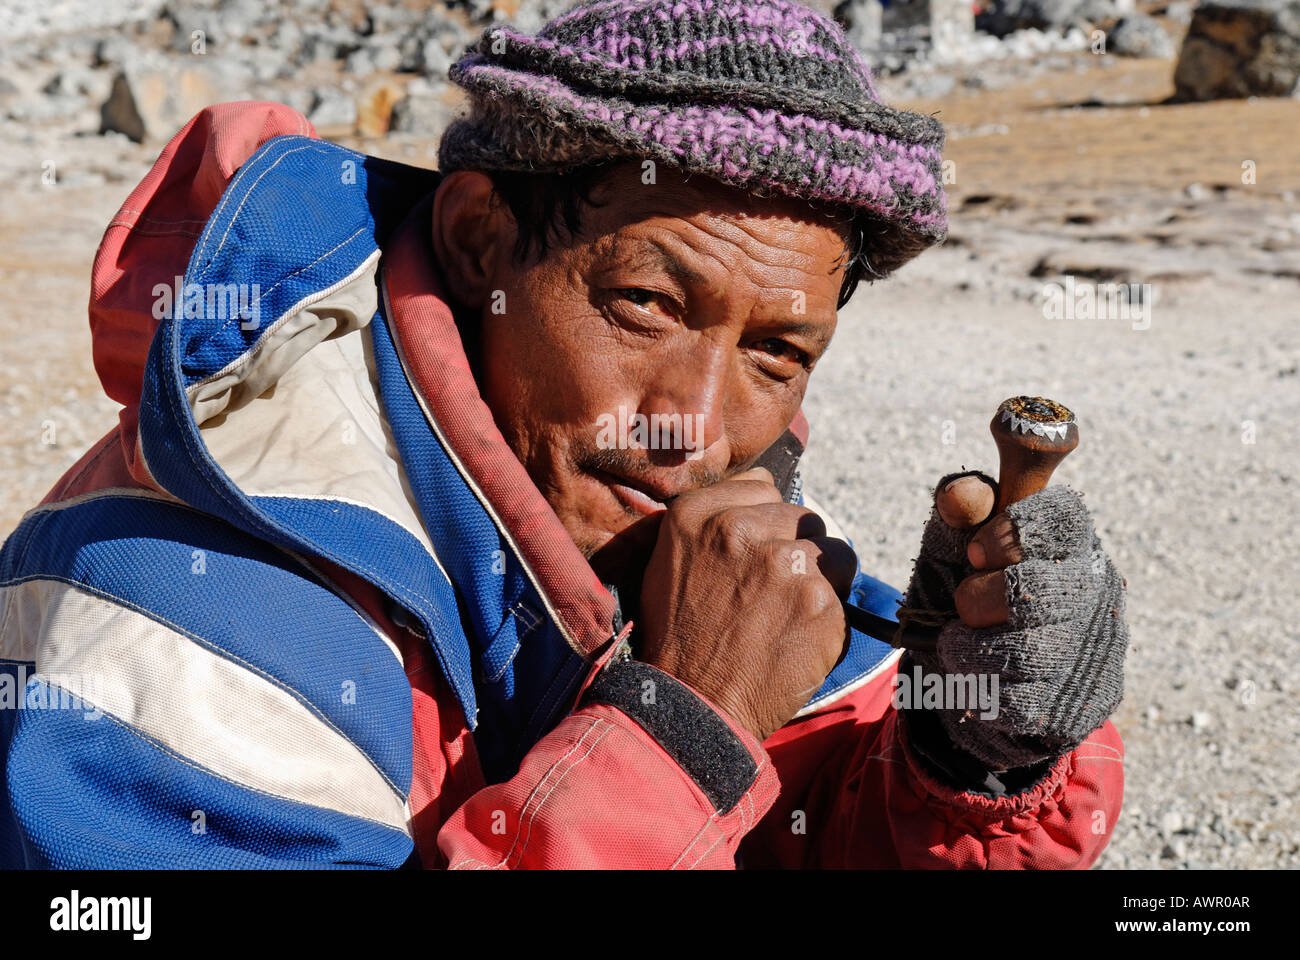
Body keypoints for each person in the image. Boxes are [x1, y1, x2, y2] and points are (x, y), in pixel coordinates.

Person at [0, 0, 1127, 869]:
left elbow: (808, 836)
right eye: (643, 303)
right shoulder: (206, 635)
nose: (696, 424)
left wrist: (965, 756)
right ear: (483, 242)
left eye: (777, 352)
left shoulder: (643, 530)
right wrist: (683, 735)